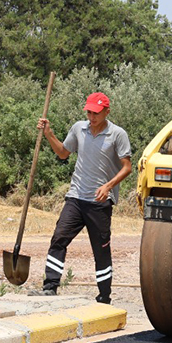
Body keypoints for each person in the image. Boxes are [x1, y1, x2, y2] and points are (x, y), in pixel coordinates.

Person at [34, 92, 132, 303]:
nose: (91, 116)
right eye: (89, 111)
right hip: (76, 197)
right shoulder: (79, 128)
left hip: (99, 202)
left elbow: (127, 167)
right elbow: (62, 153)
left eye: (96, 112)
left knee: (101, 249)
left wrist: (109, 186)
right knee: (59, 239)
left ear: (107, 111)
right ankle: (50, 287)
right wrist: (49, 133)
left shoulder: (117, 134)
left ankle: (104, 296)